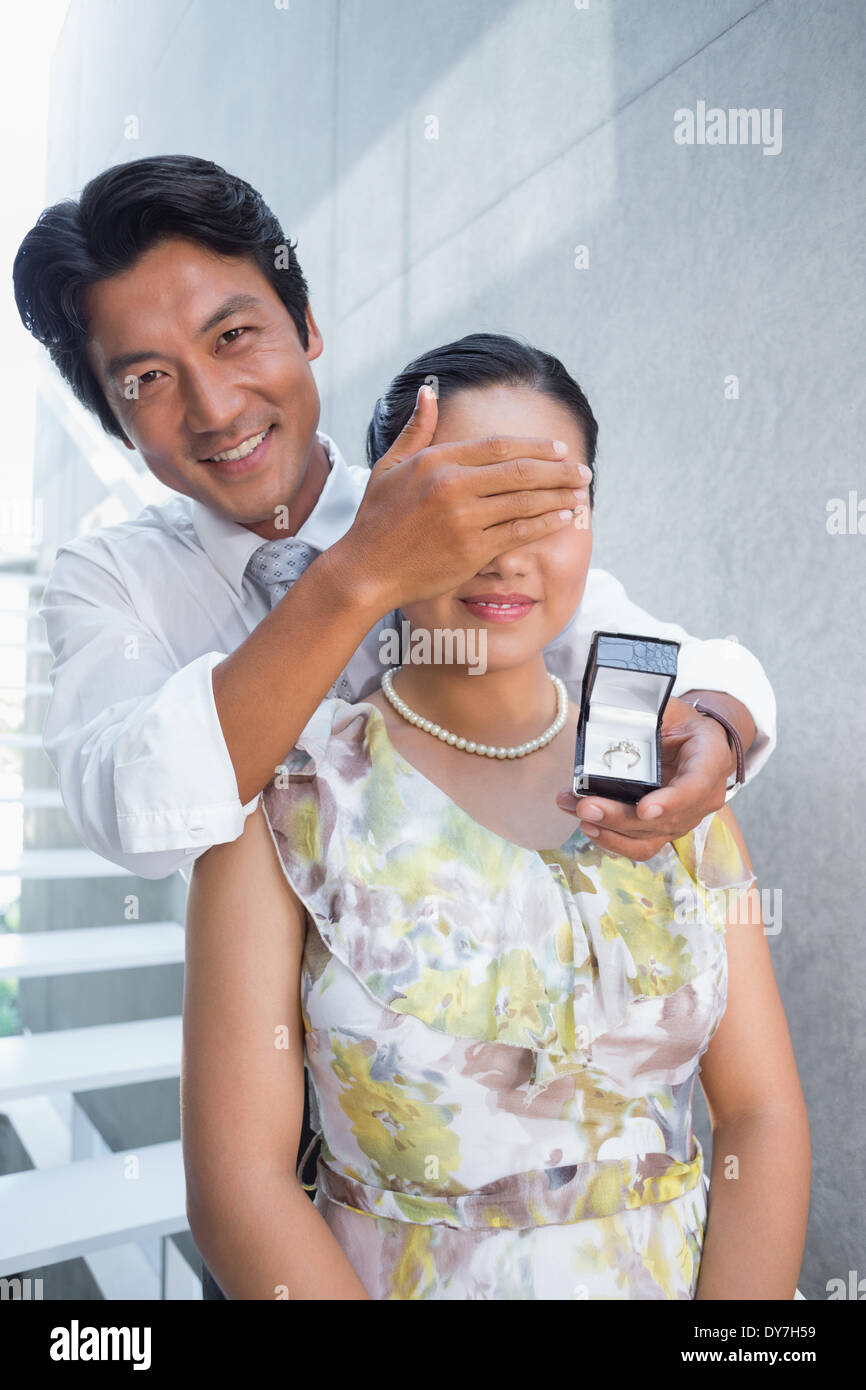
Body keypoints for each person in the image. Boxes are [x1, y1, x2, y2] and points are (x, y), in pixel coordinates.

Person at [13, 156, 776, 1294]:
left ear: (307, 322)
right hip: (329, 1126)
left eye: (234, 338)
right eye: (147, 379)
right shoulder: (105, 581)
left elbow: (635, 639)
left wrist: (708, 718)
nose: (215, 408)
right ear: (115, 420)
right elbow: (139, 801)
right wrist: (361, 573)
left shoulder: (446, 494)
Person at [181, 334, 809, 1300]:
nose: (508, 551)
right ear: (385, 519)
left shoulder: (673, 777)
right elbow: (239, 1192)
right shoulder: (289, 801)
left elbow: (761, 1116)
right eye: (468, 506)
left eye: (549, 506)